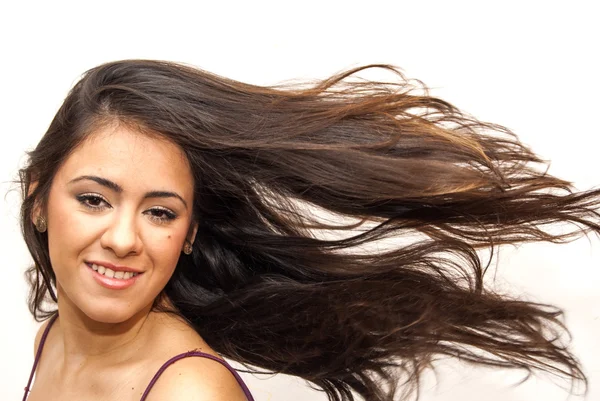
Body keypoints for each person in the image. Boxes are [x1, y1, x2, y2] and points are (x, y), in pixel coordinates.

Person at [19, 59, 600, 401]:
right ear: (39, 198)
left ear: (191, 232)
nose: (124, 238)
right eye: (95, 199)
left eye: (161, 213)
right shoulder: (56, 337)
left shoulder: (184, 391)